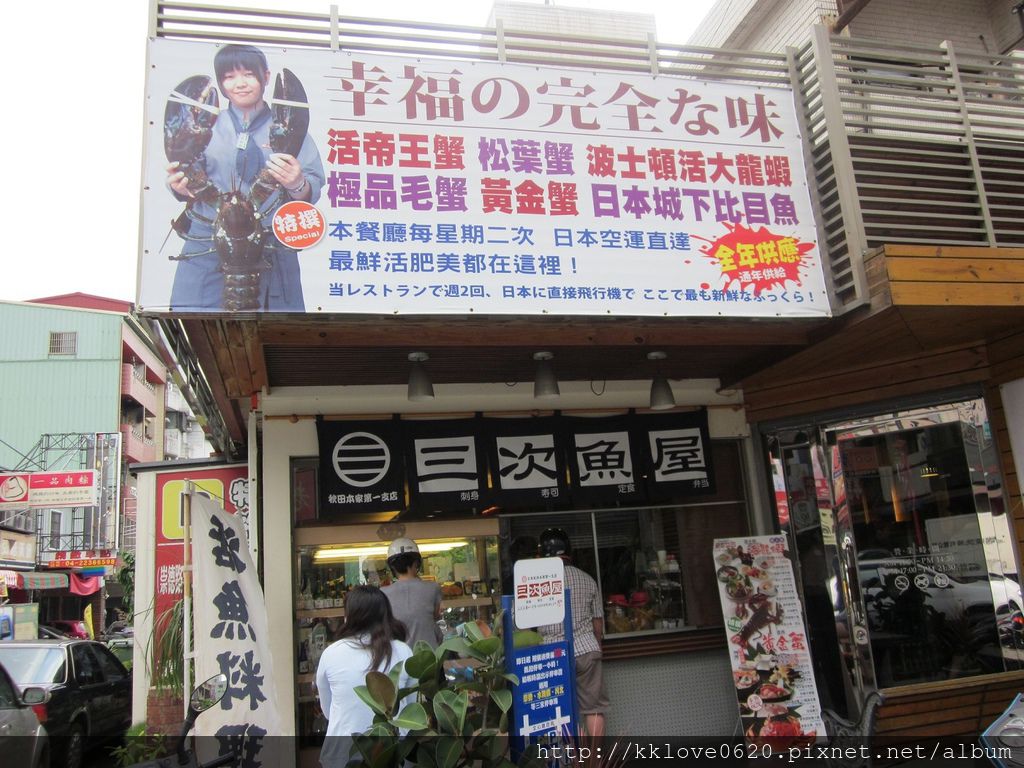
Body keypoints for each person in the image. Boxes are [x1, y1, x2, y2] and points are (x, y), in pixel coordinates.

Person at [166, 43, 325, 311]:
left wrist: (297, 183)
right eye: (229, 77)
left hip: (271, 246)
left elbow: (310, 188)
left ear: (265, 76)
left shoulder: (291, 128)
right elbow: (184, 179)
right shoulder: (206, 127)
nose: (239, 83)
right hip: (209, 243)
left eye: (248, 74)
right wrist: (180, 186)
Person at [316, 585, 413, 767]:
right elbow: (414, 709)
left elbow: (328, 710)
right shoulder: (403, 651)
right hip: (395, 752)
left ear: (349, 616)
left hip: (342, 753)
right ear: (386, 614)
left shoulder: (331, 653)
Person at [536, 527, 610, 737]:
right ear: (569, 551)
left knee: (564, 709)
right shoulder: (587, 579)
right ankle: (593, 761)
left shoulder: (538, 583)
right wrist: (598, 646)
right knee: (593, 709)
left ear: (541, 555)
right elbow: (598, 622)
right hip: (586, 649)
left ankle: (575, 759)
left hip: (552, 652)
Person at [382, 538, 443, 649]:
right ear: (417, 562)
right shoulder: (433, 588)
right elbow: (435, 616)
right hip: (430, 657)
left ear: (392, 567)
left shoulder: (383, 593)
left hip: (398, 659)